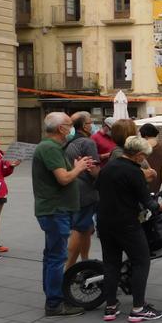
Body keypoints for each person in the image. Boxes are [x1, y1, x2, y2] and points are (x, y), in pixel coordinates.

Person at [96, 136, 162, 322]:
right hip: (126, 223)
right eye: (144, 155)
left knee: (111, 263)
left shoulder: (108, 167)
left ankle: (110, 307)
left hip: (104, 222)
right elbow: (146, 200)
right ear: (137, 155)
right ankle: (138, 308)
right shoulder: (134, 171)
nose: (144, 158)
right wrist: (160, 207)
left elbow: (99, 187)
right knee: (141, 261)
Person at [33, 112, 92, 317]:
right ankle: (55, 303)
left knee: (51, 256)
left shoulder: (52, 147)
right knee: (57, 257)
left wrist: (76, 168)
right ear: (61, 129)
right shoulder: (49, 147)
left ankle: (52, 297)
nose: (71, 128)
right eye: (69, 124)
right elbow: (64, 178)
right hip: (55, 210)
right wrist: (79, 168)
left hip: (54, 210)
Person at [64, 112, 101, 269]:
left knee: (86, 228)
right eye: (90, 122)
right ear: (85, 126)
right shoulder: (88, 143)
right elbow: (94, 171)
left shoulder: (67, 142)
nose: (92, 125)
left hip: (72, 189)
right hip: (86, 191)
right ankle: (69, 269)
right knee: (79, 228)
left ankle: (84, 262)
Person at [139, 123, 162, 195]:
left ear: (145, 135)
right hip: (157, 179)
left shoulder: (142, 146)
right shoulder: (161, 147)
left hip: (144, 178)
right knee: (154, 200)